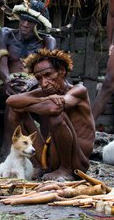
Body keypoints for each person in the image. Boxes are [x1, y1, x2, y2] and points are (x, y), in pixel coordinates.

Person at [6, 48, 95, 181]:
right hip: (50, 157)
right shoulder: (46, 92)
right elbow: (11, 101)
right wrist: (43, 99)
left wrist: (36, 103)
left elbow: (54, 109)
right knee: (15, 111)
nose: (44, 83)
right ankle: (39, 166)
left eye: (48, 75)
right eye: (39, 78)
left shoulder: (79, 90)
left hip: (77, 162)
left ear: (61, 71)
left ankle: (65, 170)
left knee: (57, 115)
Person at [0, 0, 56, 154]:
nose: (25, 24)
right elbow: (1, 62)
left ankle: (45, 149)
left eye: (31, 22)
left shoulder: (47, 41)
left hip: (35, 86)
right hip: (9, 83)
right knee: (13, 99)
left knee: (48, 102)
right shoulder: (6, 35)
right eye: (23, 19)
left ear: (39, 25)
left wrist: (32, 82)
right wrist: (7, 79)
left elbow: (49, 70)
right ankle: (7, 148)